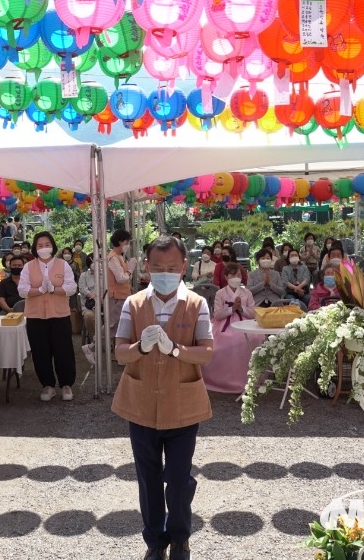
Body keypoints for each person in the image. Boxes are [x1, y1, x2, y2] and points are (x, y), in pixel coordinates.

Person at [112, 236, 213, 560]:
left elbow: (206, 352)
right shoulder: (134, 303)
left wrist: (176, 350)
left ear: (183, 267)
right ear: (147, 268)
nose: (165, 273)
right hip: (141, 406)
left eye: (171, 268)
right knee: (149, 478)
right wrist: (140, 347)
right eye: (158, 268)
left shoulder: (197, 304)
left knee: (179, 480)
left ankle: (180, 537)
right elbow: (119, 352)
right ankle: (156, 539)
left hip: (183, 407)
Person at [19, 231, 78, 402]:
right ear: (34, 248)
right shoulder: (28, 266)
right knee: (40, 351)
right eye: (39, 245)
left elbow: (72, 287)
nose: (43, 248)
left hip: (59, 315)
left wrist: (53, 289)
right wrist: (39, 291)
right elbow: (22, 291)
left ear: (52, 246)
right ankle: (48, 385)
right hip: (36, 316)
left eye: (46, 245)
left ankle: (66, 384)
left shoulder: (62, 264)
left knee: (63, 350)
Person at [202, 262, 255, 394]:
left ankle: (247, 379)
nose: (236, 277)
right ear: (226, 277)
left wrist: (241, 309)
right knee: (223, 342)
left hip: (244, 322)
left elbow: (254, 312)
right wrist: (232, 309)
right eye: (232, 274)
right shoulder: (220, 293)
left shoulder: (247, 292)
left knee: (251, 338)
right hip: (225, 323)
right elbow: (217, 314)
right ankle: (222, 380)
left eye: (238, 274)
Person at [107, 229, 137, 341]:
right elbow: (120, 278)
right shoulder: (113, 257)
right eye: (127, 242)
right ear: (120, 242)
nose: (128, 245)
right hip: (116, 297)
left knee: (117, 325)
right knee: (113, 325)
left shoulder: (119, 257)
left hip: (122, 295)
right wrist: (130, 270)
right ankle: (93, 346)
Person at [78, 254, 97, 341]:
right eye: (93, 261)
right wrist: (93, 297)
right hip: (89, 306)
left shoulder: (105, 275)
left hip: (103, 305)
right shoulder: (84, 275)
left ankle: (105, 338)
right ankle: (94, 339)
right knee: (89, 316)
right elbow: (82, 289)